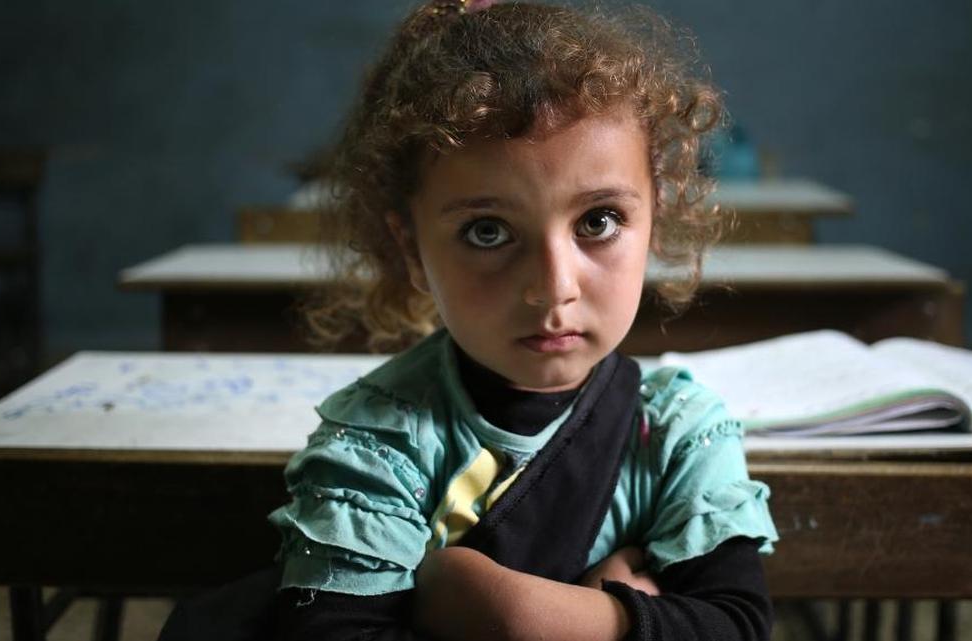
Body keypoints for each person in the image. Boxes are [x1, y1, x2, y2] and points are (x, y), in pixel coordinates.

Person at [270, 1, 778, 639]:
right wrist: (621, 613)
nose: (553, 288)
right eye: (488, 232)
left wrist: (510, 610)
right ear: (412, 251)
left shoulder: (677, 433)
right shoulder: (381, 443)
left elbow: (736, 627)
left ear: (656, 218)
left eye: (598, 222)